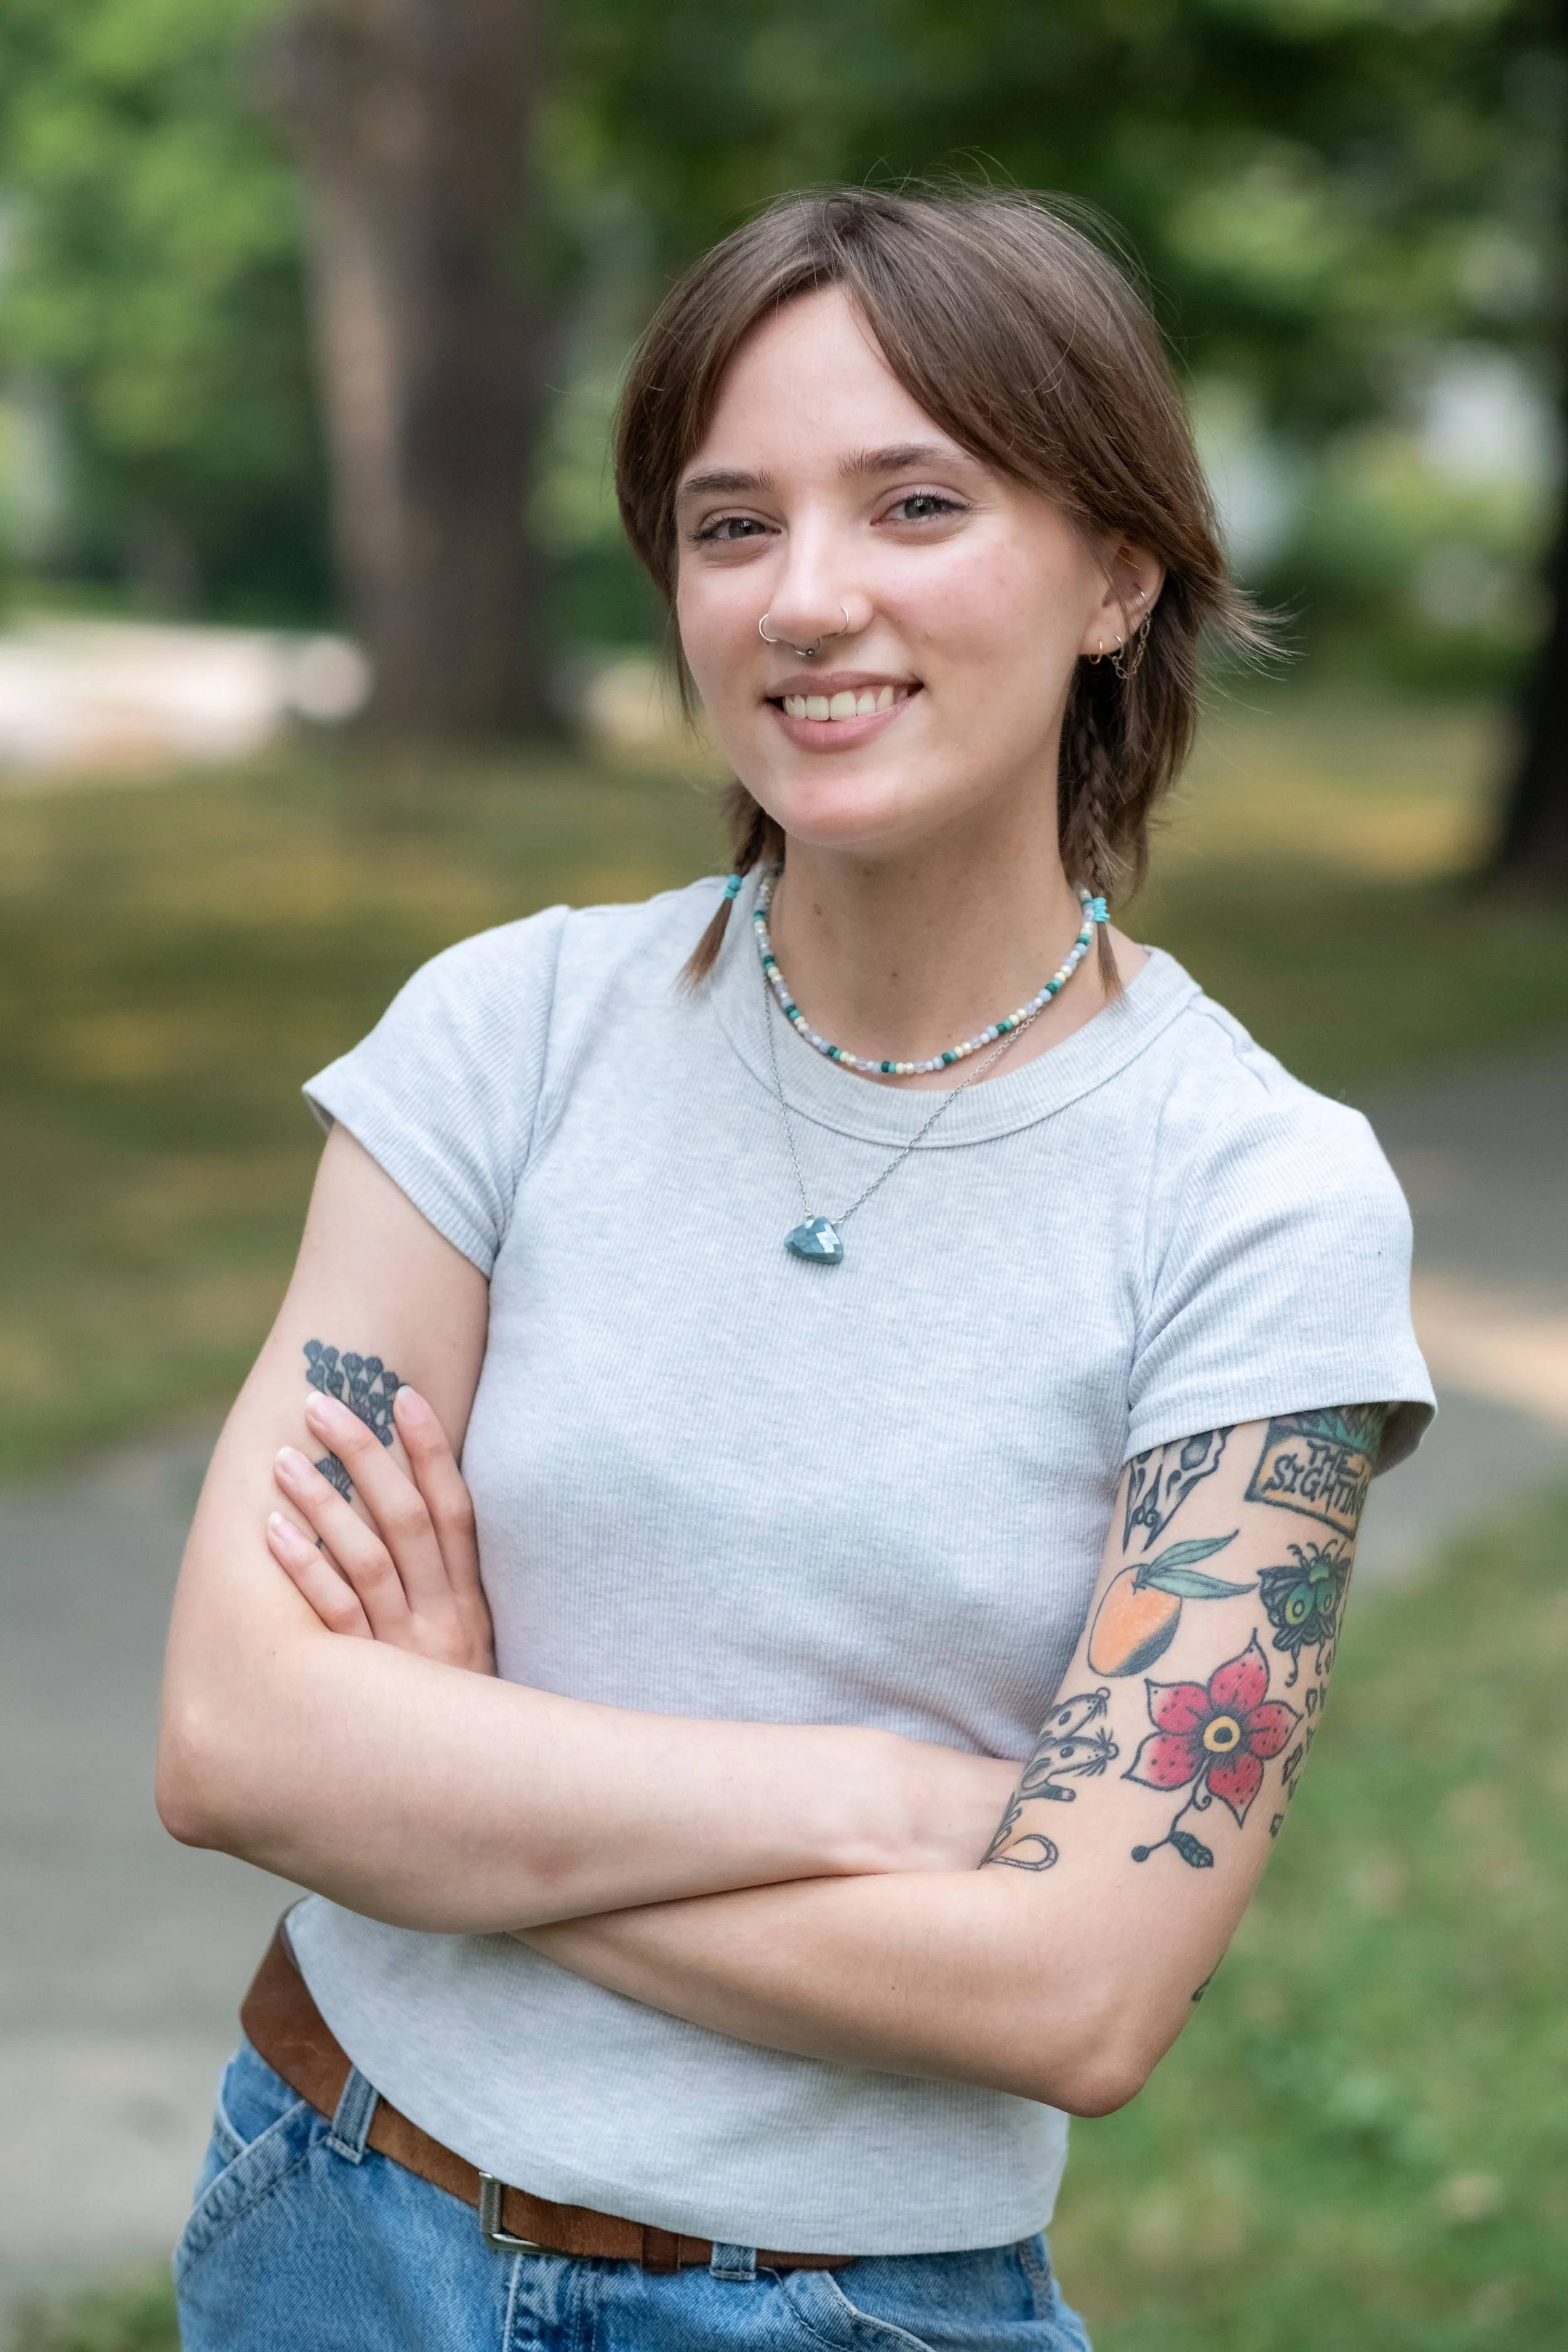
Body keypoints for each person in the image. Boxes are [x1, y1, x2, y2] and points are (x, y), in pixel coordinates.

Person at [157, 186, 1434, 2351]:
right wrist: (873, 1807)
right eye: (729, 524)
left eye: (915, 502)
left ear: (1121, 571)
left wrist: (457, 1776)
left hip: (839, 2309)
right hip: (328, 2210)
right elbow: (233, 1743)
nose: (807, 598)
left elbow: (1080, 1988)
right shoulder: (506, 1035)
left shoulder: (1258, 1203)